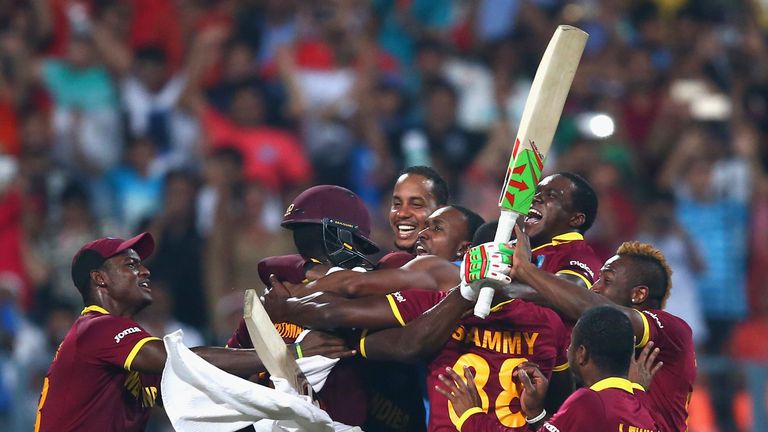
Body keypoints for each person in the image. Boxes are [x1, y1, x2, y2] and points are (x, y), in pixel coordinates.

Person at [33, 232, 354, 432]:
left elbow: (203, 387)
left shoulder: (117, 350)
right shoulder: (96, 328)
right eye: (129, 265)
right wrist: (290, 354)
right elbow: (181, 360)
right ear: (99, 279)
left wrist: (251, 331)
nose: (144, 269)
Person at [493, 227, 696, 432]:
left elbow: (597, 309)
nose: (595, 287)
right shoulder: (605, 355)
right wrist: (537, 414)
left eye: (606, 280)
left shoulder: (672, 331)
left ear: (639, 295)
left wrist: (526, 271)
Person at [437, 306, 660, 432]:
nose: (568, 349)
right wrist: (536, 414)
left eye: (571, 344)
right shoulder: (644, 411)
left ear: (581, 354)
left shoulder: (589, 401)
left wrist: (471, 417)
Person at [287, 205, 484, 298]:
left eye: (437, 228)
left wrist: (293, 296)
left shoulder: (437, 268)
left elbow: (353, 284)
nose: (422, 234)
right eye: (425, 226)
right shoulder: (476, 282)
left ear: (464, 248)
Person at [389, 166, 449, 253]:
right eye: (397, 204)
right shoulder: (392, 263)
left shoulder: (460, 265)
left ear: (442, 212)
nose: (402, 213)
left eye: (416, 204)